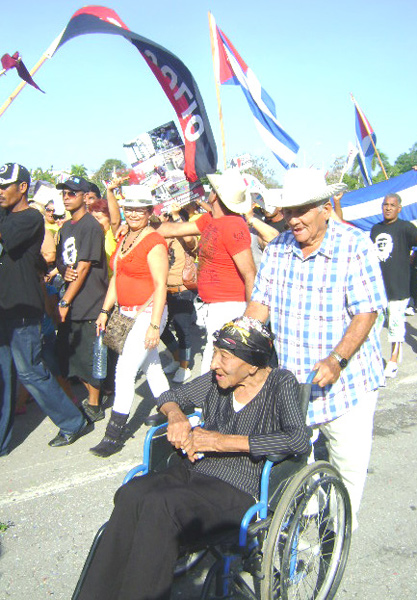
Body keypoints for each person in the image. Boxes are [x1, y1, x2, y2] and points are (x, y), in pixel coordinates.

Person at [77, 316, 310, 600]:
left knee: (161, 507)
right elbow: (170, 395)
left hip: (237, 488)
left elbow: (297, 439)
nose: (214, 364)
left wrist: (220, 442)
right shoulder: (217, 380)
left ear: (252, 365)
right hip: (193, 470)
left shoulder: (280, 383)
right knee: (132, 493)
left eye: (224, 356)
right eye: (215, 353)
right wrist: (176, 417)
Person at [245, 168, 387, 531]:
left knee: (346, 468)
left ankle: (338, 535)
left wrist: (338, 358)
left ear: (326, 207)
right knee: (294, 461)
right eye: (288, 211)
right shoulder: (278, 249)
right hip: (296, 384)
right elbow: (259, 306)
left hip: (347, 383)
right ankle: (301, 527)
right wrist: (238, 345)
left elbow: (366, 311)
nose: (293, 219)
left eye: (302, 210)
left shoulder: (355, 246)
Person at [0, 163, 88, 455]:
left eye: (5, 186)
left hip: (23, 307)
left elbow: (7, 238)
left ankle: (74, 422)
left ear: (22, 187)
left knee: (30, 372)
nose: (0, 192)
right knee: (5, 376)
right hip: (4, 307)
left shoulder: (30, 217)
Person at [92, 185, 170, 458]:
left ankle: (114, 435)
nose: (134, 213)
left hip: (148, 314)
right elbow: (117, 277)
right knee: (152, 367)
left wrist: (154, 326)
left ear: (150, 212)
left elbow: (161, 286)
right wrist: (105, 310)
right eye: (130, 208)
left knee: (125, 370)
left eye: (140, 209)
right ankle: (174, 412)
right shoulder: (125, 237)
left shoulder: (154, 242)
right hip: (126, 311)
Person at [157, 169, 257, 374]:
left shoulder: (234, 225)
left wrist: (250, 319)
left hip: (230, 306)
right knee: (217, 364)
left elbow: (250, 273)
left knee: (216, 366)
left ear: (215, 195)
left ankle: (206, 404)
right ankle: (209, 404)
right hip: (215, 305)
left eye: (211, 189)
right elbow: (173, 230)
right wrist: (142, 230)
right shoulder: (211, 219)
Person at [55, 175, 109, 422]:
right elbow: (63, 261)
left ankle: (95, 405)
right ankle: (91, 398)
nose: (66, 198)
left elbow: (85, 266)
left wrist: (64, 301)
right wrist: (63, 269)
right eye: (63, 194)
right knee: (72, 358)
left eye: (71, 193)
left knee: (90, 356)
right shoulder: (66, 227)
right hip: (72, 298)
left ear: (84, 197)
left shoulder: (90, 226)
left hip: (90, 300)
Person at [370, 193, 417, 378]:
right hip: (378, 289)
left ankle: (393, 360)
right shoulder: (375, 229)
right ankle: (374, 359)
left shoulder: (406, 228)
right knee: (373, 327)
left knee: (395, 327)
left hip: (398, 289)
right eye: (385, 204)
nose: (388, 208)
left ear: (399, 208)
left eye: (392, 205)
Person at [160, 202, 199, 383]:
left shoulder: (183, 234)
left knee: (182, 329)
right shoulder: (161, 234)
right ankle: (177, 357)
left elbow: (191, 241)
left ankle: (184, 366)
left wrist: (177, 216)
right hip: (163, 290)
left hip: (182, 289)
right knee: (160, 327)